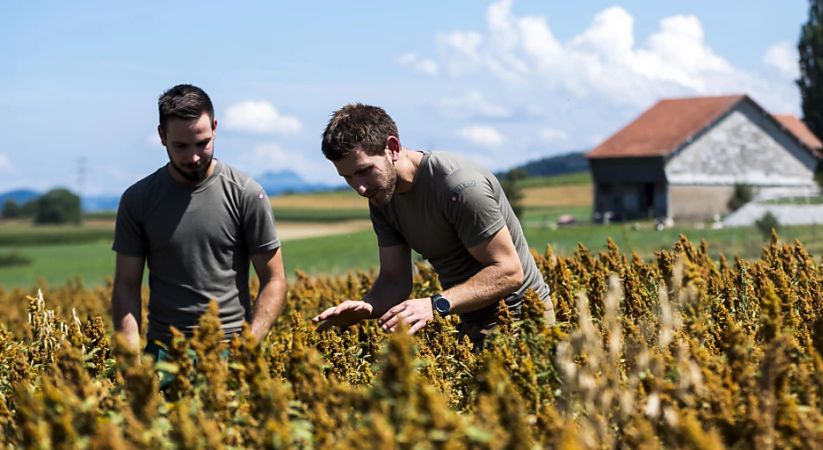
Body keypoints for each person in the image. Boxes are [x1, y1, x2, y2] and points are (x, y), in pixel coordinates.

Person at [312, 103, 554, 347]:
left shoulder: (460, 188)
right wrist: (367, 306)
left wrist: (435, 304)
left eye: (364, 171)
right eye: (348, 178)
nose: (360, 188)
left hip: (523, 322)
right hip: (470, 321)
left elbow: (509, 271)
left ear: (393, 148)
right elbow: (395, 279)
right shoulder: (381, 196)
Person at [111, 84, 287, 359]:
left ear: (215, 128)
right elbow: (126, 284)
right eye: (180, 146)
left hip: (230, 349)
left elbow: (274, 280)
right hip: (165, 353)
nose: (193, 157)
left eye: (202, 143)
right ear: (162, 136)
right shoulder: (138, 200)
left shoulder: (247, 194)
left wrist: (249, 345)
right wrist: (130, 357)